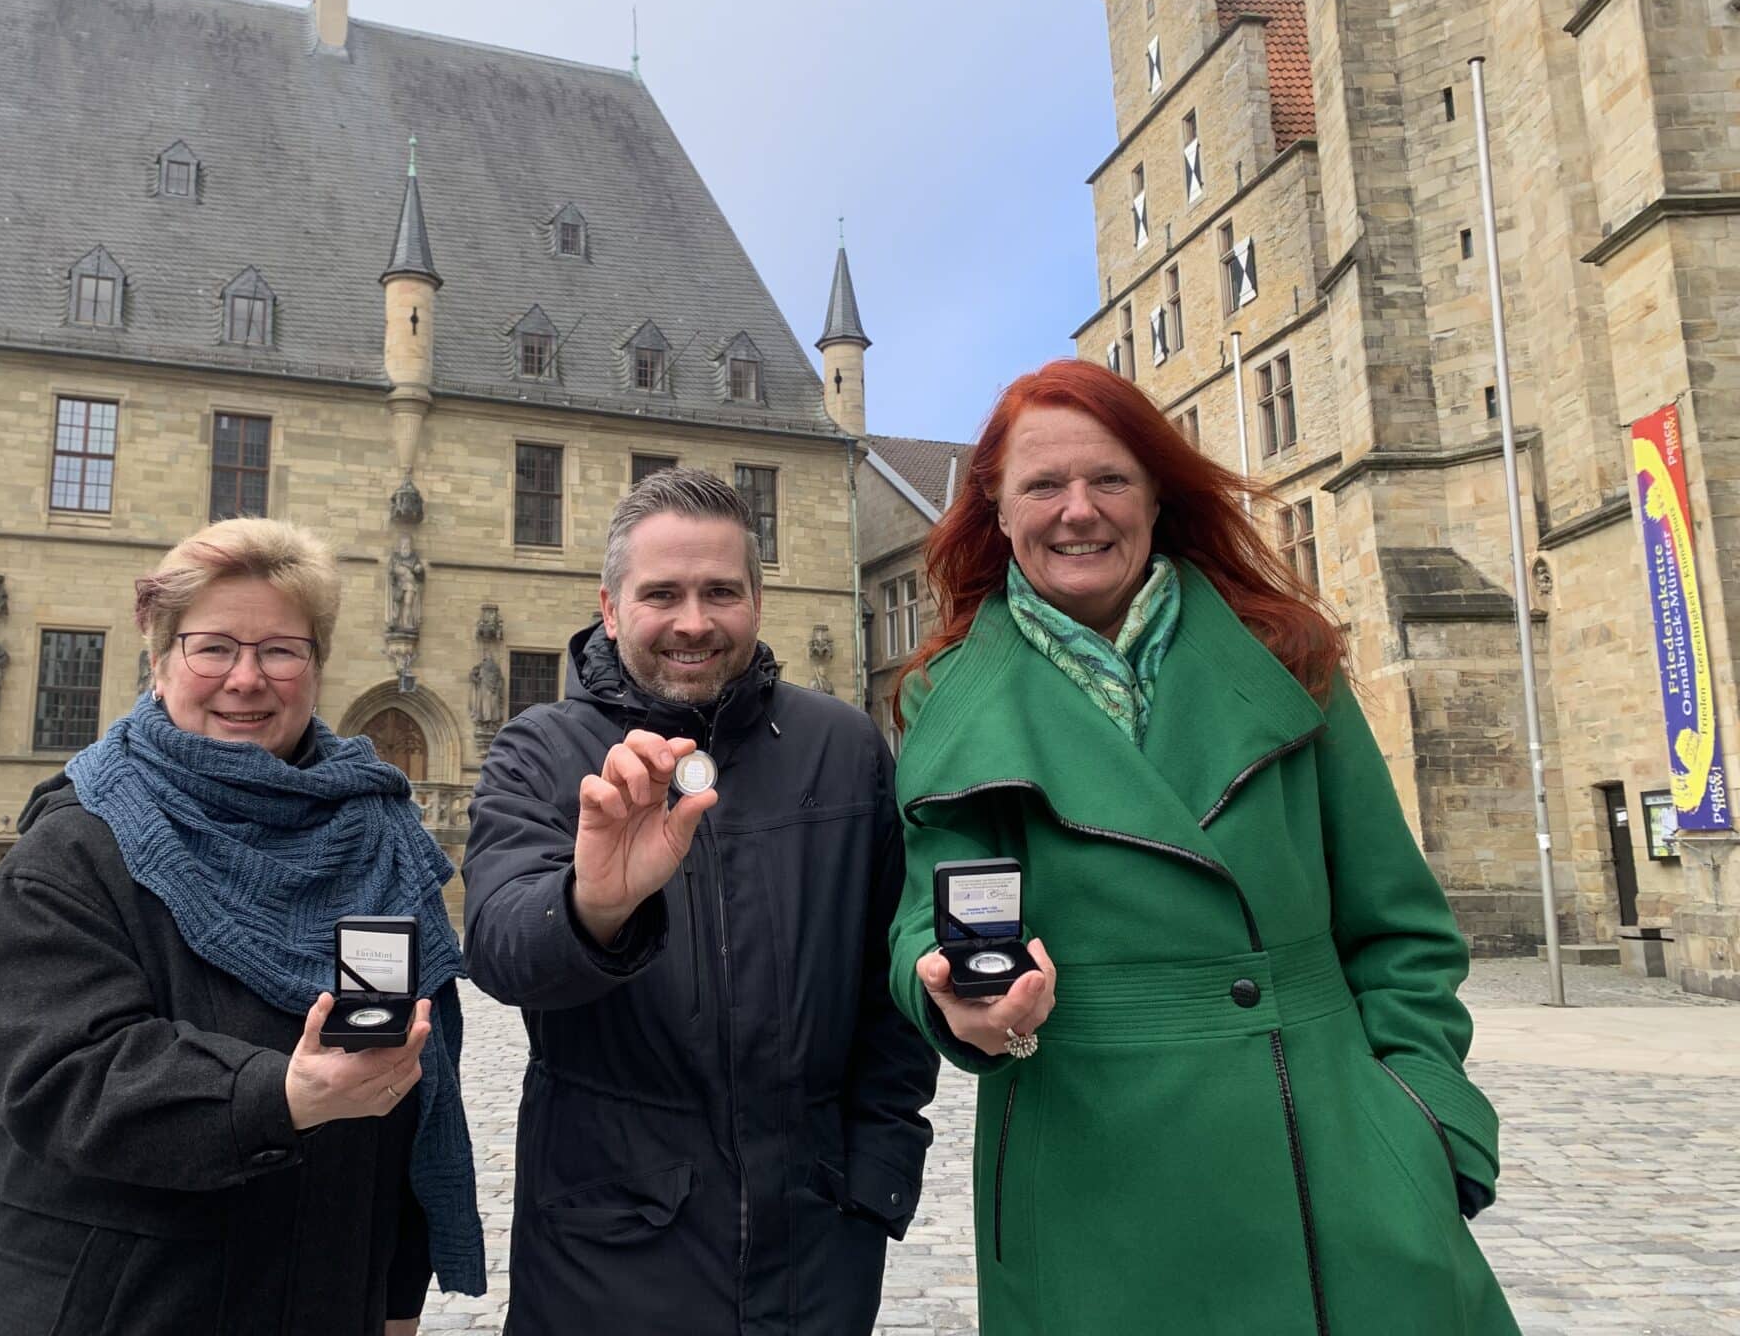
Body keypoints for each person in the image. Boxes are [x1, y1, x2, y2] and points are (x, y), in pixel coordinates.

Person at [886, 360, 1519, 1336]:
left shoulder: (1287, 659)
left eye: (1108, 479)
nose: (1076, 511)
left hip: (1333, 1167)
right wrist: (956, 999)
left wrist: (1428, 1125)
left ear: (1155, 495)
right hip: (1084, 1177)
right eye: (1042, 486)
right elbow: (927, 911)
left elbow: (1401, 932)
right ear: (998, 513)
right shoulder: (951, 698)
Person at [0, 518, 484, 1334]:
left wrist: (395, 1289)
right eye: (213, 648)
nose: (247, 678)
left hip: (321, 1292)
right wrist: (279, 1095)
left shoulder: (375, 843)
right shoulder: (73, 847)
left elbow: (394, 1075)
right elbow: (66, 1077)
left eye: (281, 649)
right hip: (120, 1303)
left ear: (314, 668)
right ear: (160, 662)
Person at [464, 468, 939, 1336]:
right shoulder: (540, 749)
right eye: (663, 594)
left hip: (817, 1248)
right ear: (610, 607)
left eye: (721, 590)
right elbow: (496, 946)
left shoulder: (842, 746)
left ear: (758, 599)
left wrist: (877, 1173)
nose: (693, 621)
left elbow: (890, 989)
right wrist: (591, 907)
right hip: (607, 1249)